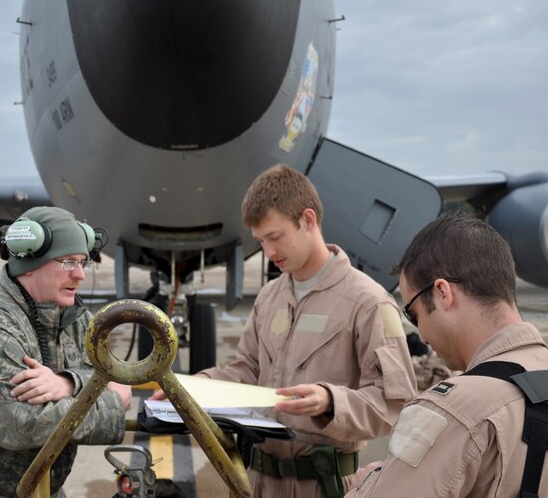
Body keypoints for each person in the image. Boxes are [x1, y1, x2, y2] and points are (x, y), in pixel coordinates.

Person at [154, 164, 418, 498]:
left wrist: (329, 402)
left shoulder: (368, 302)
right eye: (261, 241)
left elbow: (396, 403)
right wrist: (198, 387)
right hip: (255, 482)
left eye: (275, 237)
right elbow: (246, 370)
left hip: (324, 486)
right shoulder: (270, 296)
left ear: (308, 220)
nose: (269, 252)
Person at [345, 211, 548, 497]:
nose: (421, 336)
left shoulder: (453, 410)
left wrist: (366, 485)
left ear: (443, 293)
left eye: (413, 314)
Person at [0, 206, 131, 498]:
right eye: (68, 262)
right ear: (29, 261)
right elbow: (22, 422)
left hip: (42, 490)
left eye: (83, 262)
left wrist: (67, 382)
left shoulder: (71, 316)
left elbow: (109, 375)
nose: (81, 275)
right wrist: (113, 403)